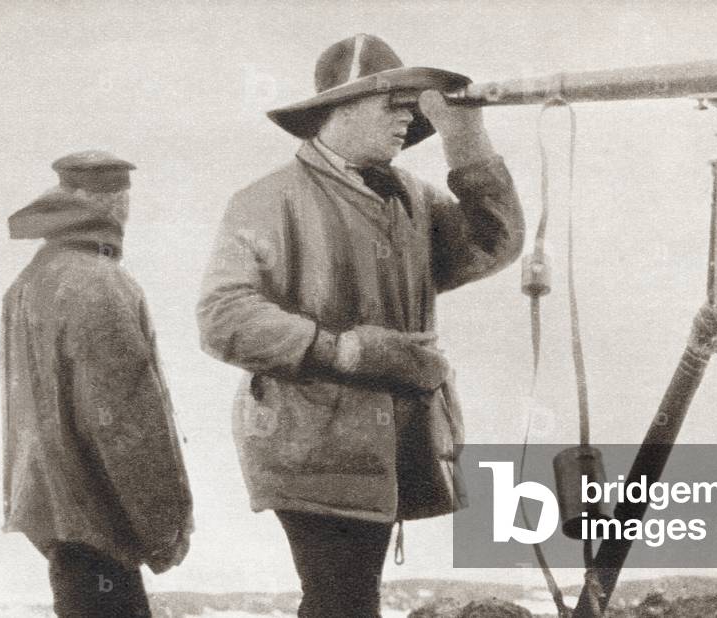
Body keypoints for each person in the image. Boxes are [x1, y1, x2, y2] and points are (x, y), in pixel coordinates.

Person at [197, 34, 524, 617]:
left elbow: (493, 242)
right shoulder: (267, 200)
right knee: (341, 597)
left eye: (411, 105)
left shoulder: (411, 199)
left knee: (347, 597)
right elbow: (223, 316)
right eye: (392, 104)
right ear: (340, 107)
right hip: (310, 442)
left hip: (385, 444)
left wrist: (465, 138)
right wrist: (347, 352)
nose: (407, 118)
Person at [1, 151, 193, 617]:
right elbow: (127, 422)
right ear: (117, 202)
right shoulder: (99, 284)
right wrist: (167, 529)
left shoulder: (28, 282)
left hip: (56, 520)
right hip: (102, 523)